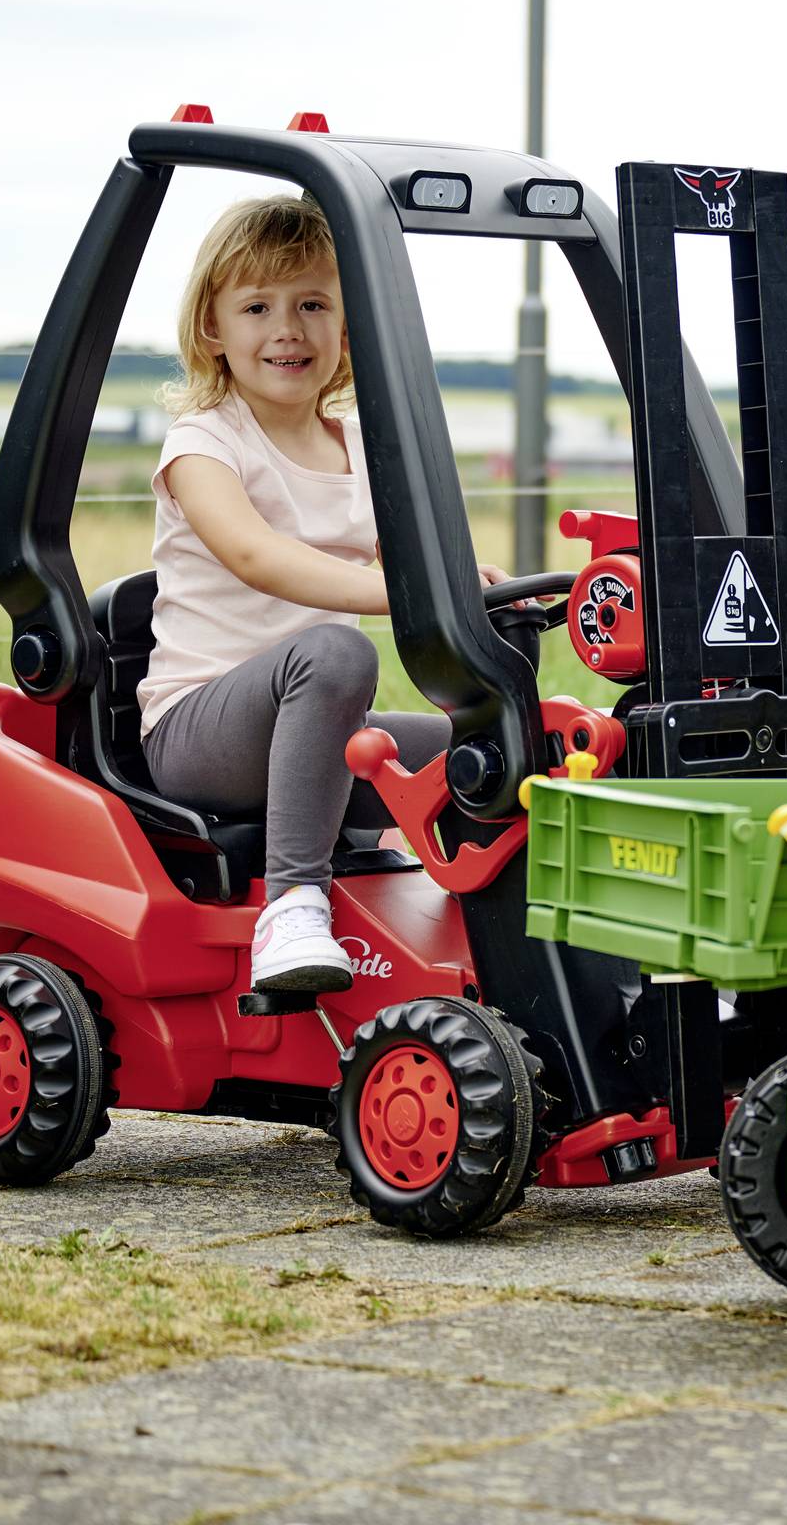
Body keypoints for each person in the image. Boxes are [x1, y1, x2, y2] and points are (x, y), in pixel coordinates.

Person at [134, 194, 492, 994]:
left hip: (318, 726)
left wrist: (476, 587)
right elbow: (256, 555)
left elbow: (419, 557)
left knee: (493, 757)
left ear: (347, 325)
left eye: (313, 304)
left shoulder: (361, 445)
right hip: (200, 735)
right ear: (213, 330)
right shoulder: (205, 442)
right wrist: (396, 595)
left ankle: (501, 945)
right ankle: (293, 904)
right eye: (258, 305)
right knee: (335, 651)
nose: (288, 327)